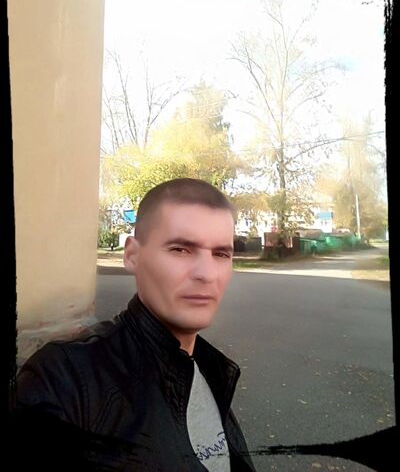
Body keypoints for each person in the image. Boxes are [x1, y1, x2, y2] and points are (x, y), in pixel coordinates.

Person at [11, 178, 255, 471]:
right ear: (132, 255)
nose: (207, 274)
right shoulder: (64, 380)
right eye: (180, 249)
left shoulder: (211, 369)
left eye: (221, 254)